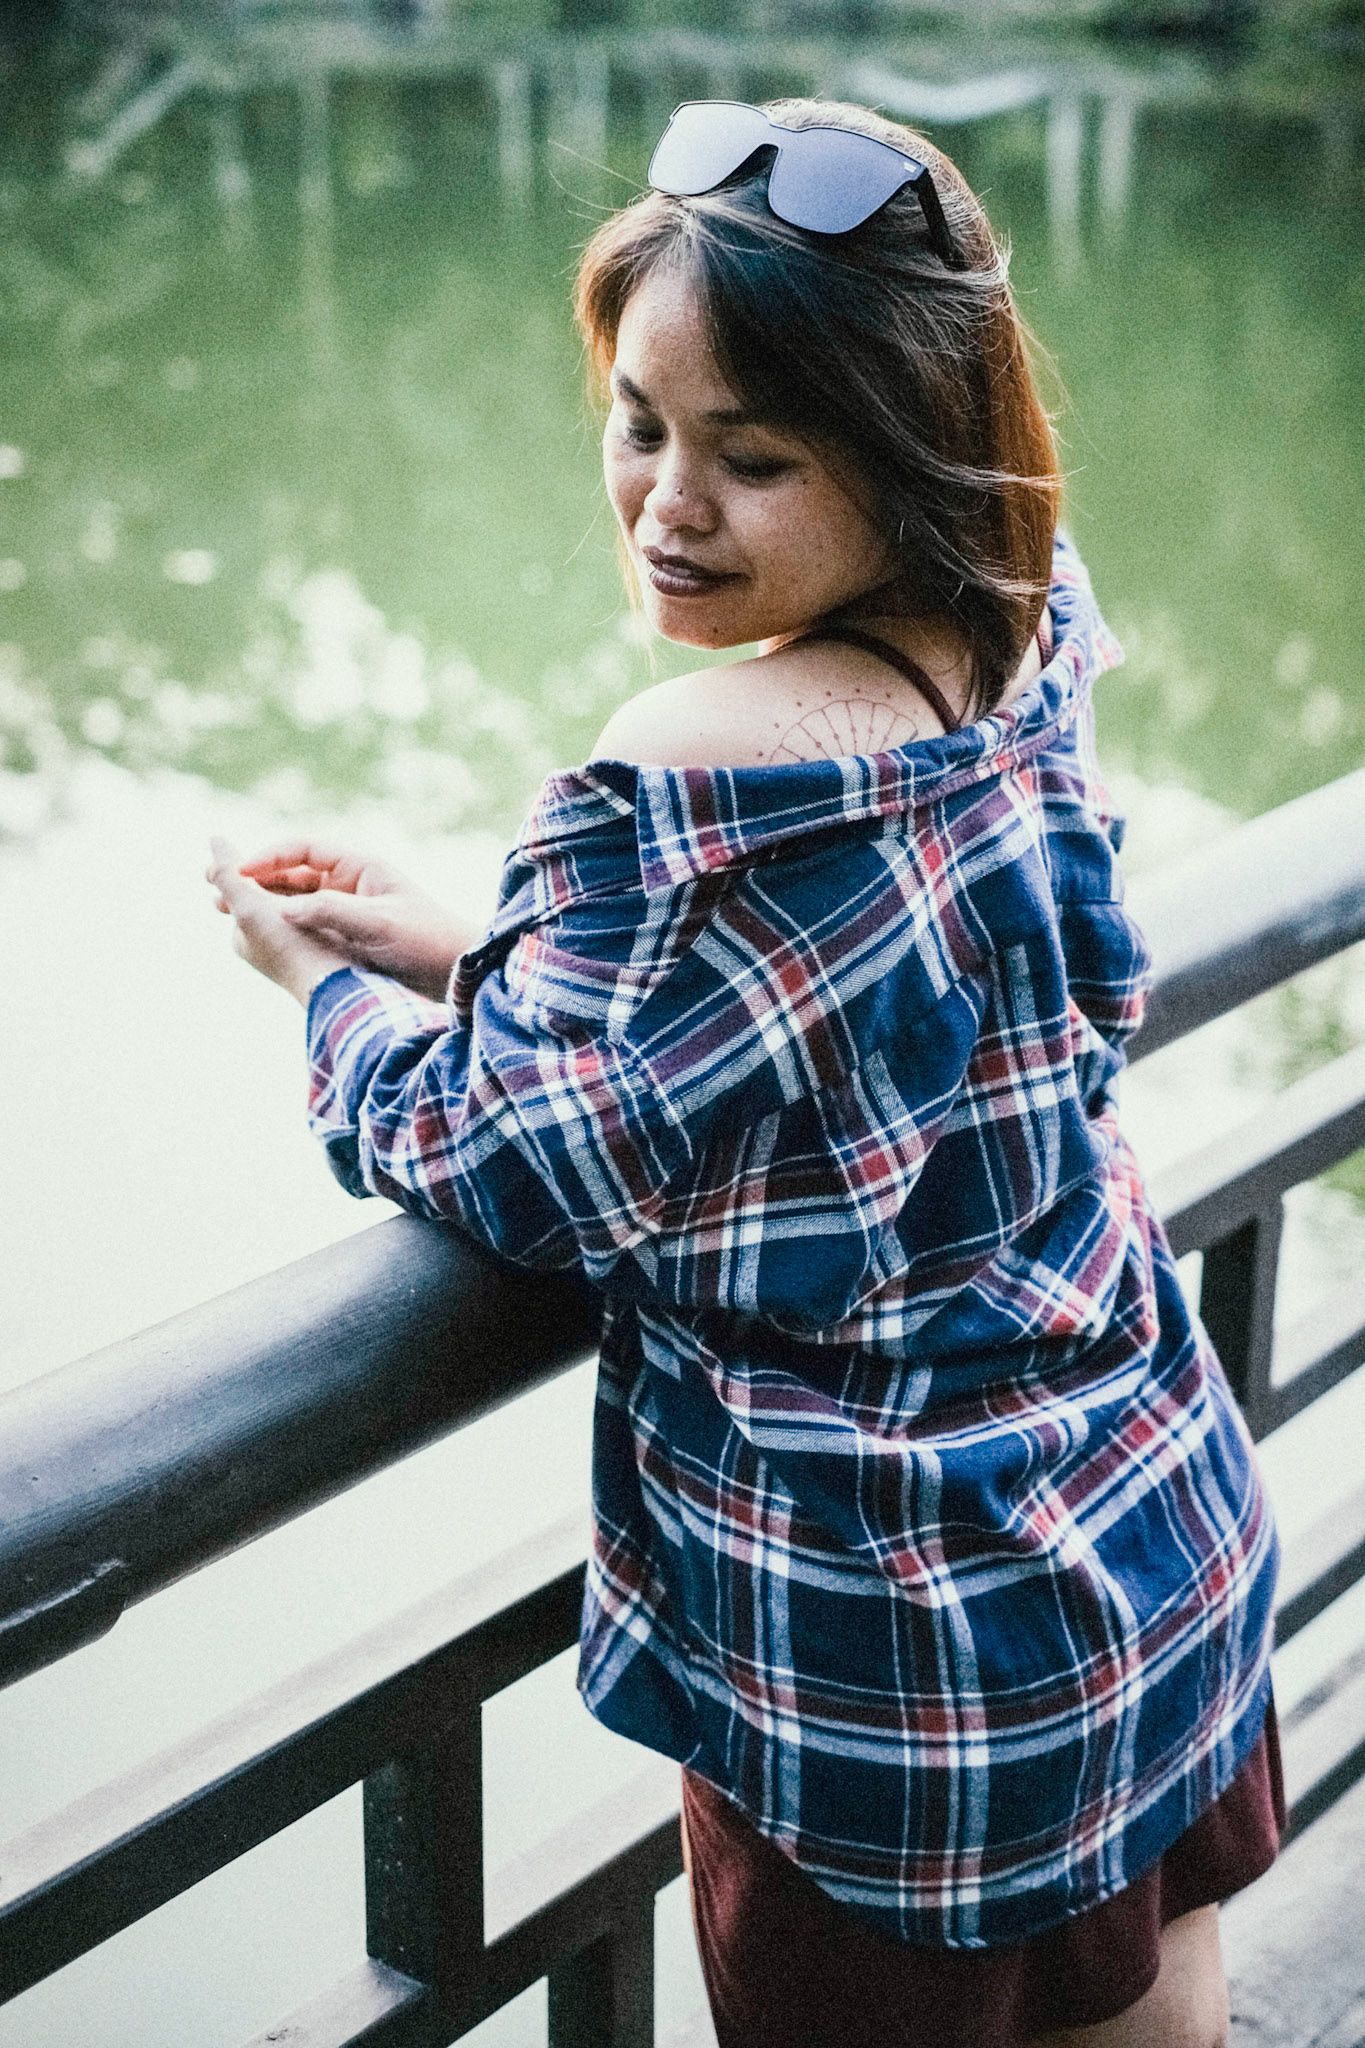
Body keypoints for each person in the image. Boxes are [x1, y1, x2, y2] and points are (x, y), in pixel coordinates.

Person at [209, 99, 1281, 2048]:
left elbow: (516, 1160)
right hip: (1126, 1509)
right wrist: (480, 945)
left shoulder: (693, 781)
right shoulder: (1026, 623)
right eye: (637, 419)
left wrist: (325, 994)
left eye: (751, 455)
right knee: (1151, 1992)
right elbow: (852, 1005)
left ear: (898, 453)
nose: (661, 504)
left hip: (876, 1654)